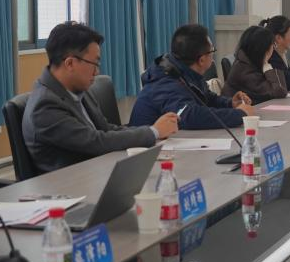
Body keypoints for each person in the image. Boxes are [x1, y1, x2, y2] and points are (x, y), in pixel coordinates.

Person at [23, 22, 178, 174]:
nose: (96, 72)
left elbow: (105, 129)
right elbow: (95, 141)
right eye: (94, 63)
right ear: (70, 63)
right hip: (72, 182)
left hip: (98, 171)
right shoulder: (45, 105)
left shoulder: (77, 88)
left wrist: (153, 130)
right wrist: (153, 132)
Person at [130, 24, 254, 130]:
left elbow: (206, 98)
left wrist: (230, 103)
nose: (213, 54)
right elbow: (190, 117)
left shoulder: (185, 70)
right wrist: (238, 114)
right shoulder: (166, 81)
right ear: (201, 60)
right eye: (212, 50)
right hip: (147, 147)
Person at [223, 26, 288, 104]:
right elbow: (280, 91)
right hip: (239, 110)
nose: (273, 49)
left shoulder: (248, 62)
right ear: (263, 49)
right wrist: (267, 66)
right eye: (272, 45)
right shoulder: (244, 70)